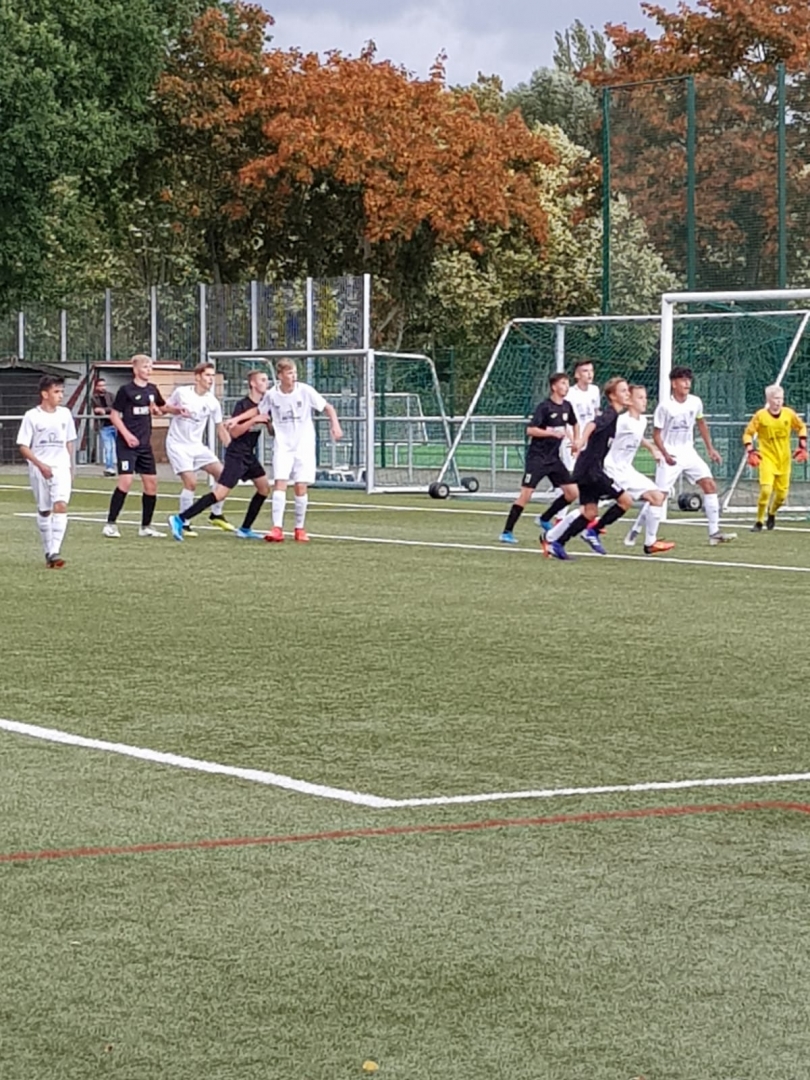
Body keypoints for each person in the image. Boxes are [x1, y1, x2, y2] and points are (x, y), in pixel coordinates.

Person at [228, 358, 343, 542]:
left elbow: (328, 407)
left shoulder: (305, 391)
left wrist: (335, 425)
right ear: (280, 375)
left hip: (304, 445)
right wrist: (236, 419)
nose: (293, 376)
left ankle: (299, 528)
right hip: (283, 445)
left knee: (300, 486)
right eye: (289, 373)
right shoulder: (272, 394)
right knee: (280, 483)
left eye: (295, 372)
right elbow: (258, 410)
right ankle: (277, 528)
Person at [167, 370, 273, 541]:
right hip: (237, 453)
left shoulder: (265, 405)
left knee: (264, 488)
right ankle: (180, 518)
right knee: (220, 494)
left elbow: (270, 428)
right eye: (262, 380)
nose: (266, 383)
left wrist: (269, 425)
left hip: (248, 454)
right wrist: (253, 421)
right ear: (252, 383)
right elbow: (235, 432)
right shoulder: (242, 405)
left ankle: (245, 528)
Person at [639, 365, 736, 550]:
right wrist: (664, 454)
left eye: (689, 380)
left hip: (689, 452)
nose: (687, 383)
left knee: (709, 484)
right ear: (673, 383)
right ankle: (649, 540)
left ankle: (714, 533)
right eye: (683, 380)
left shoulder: (695, 402)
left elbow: (701, 423)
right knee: (659, 496)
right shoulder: (665, 406)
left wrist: (710, 448)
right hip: (670, 453)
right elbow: (656, 434)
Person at [545, 376, 633, 560]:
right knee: (625, 500)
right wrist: (580, 441)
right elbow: (592, 424)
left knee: (590, 512)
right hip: (591, 470)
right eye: (623, 391)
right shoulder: (609, 414)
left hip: (585, 468)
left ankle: (557, 544)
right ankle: (594, 531)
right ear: (612, 396)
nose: (628, 394)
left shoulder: (615, 416)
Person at [102, 353, 186, 539]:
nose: (149, 370)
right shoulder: (126, 390)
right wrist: (127, 435)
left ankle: (146, 526)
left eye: (150, 367)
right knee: (126, 481)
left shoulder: (152, 389)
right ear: (135, 369)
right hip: (127, 444)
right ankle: (110, 524)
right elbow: (114, 416)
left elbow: (161, 408)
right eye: (145, 367)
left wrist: (176, 410)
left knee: (151, 484)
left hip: (144, 444)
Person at [499, 372, 579, 544]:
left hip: (554, 459)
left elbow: (575, 423)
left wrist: (576, 442)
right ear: (554, 387)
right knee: (526, 495)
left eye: (567, 383)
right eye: (563, 383)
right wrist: (551, 433)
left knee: (572, 493)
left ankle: (544, 518)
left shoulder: (567, 406)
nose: (566, 386)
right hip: (538, 458)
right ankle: (507, 532)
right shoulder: (545, 407)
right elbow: (530, 430)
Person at [164, 362, 235, 536]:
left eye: (212, 376)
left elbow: (220, 428)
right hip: (177, 445)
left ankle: (216, 514)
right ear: (197, 377)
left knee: (223, 475)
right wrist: (176, 410)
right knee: (191, 482)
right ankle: (184, 524)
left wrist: (233, 450)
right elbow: (164, 408)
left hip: (196, 446)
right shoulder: (182, 392)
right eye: (207, 375)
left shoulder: (212, 402)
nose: (211, 379)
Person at [606, 384, 675, 554]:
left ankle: (650, 542)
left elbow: (638, 436)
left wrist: (652, 449)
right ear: (629, 400)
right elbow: (602, 434)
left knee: (657, 497)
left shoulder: (642, 421)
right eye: (640, 398)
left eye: (645, 397)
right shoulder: (621, 421)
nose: (644, 401)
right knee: (589, 507)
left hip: (627, 470)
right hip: (612, 469)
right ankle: (561, 532)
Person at [16, 375, 76, 568]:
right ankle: (48, 550)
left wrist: (70, 466)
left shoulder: (65, 414)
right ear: (45, 394)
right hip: (39, 468)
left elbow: (69, 442)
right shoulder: (32, 416)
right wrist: (40, 465)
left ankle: (55, 551)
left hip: (60, 467)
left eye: (61, 392)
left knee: (61, 505)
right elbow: (23, 446)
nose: (60, 395)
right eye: (56, 392)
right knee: (44, 510)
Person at [742, 384, 808, 531]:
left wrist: (802, 443)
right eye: (776, 398)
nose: (779, 401)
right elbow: (748, 433)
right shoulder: (760, 416)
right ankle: (759, 521)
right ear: (769, 400)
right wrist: (750, 449)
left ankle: (771, 512)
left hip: (784, 459)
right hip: (767, 458)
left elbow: (801, 427)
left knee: (782, 496)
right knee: (766, 490)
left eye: (781, 398)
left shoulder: (788, 414)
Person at [90, 375, 116, 475]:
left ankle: (125, 466)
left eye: (104, 385)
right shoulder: (94, 398)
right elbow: (96, 410)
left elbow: (114, 408)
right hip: (104, 426)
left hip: (116, 424)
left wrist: (104, 410)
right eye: (100, 386)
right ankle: (110, 468)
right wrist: (102, 411)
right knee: (108, 448)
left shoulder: (111, 396)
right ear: (96, 387)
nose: (103, 387)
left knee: (120, 447)